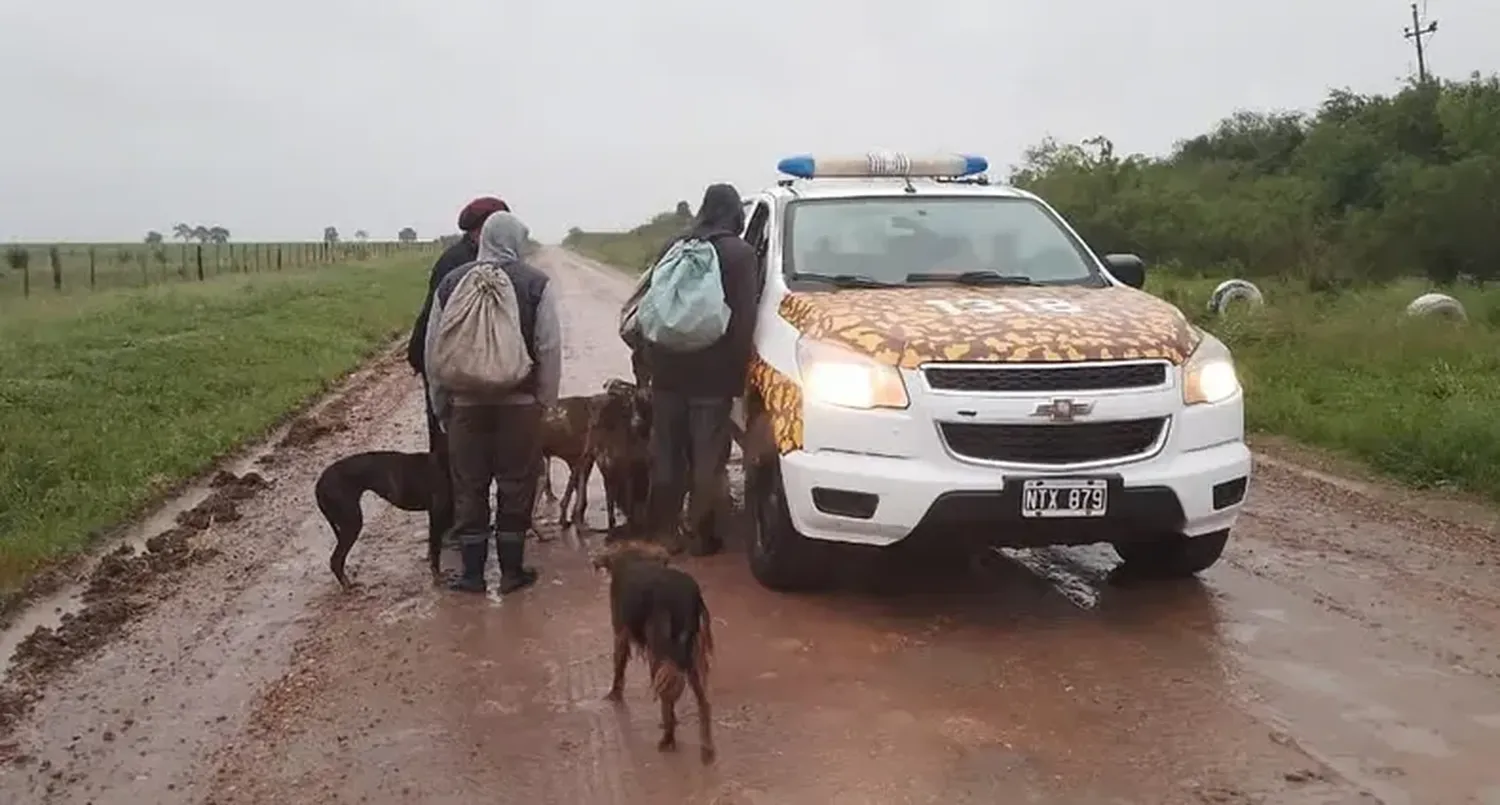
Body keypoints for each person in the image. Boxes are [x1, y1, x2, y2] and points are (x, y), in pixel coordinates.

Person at [423, 211, 561, 594]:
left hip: (465, 407)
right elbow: (548, 347)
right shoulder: (536, 284)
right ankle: (513, 572)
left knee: (469, 485)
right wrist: (544, 402)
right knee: (516, 484)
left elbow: (436, 352)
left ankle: (471, 574)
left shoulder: (452, 283)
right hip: (519, 407)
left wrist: (441, 406)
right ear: (515, 241)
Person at [638, 184, 758, 556]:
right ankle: (702, 534)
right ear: (734, 212)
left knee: (668, 454)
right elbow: (743, 321)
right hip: (713, 375)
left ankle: (663, 534)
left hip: (668, 371)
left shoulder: (673, 247)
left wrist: (648, 367)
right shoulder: (739, 254)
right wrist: (739, 376)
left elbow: (650, 309)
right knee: (708, 458)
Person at [406, 196, 509, 552]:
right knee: (450, 449)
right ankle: (449, 526)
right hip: (446, 364)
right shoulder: (459, 263)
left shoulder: (470, 257)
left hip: (455, 362)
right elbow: (439, 324)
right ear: (480, 230)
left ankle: (464, 523)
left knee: (465, 449)